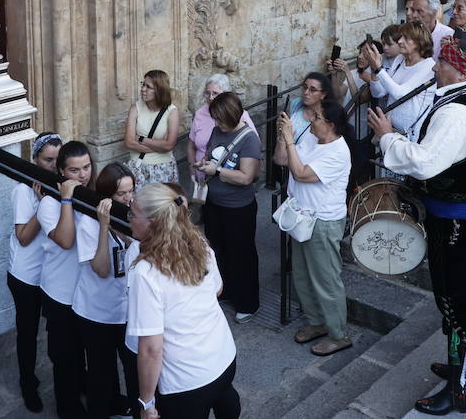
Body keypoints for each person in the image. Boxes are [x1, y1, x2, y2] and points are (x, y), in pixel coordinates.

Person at [368, 37, 466, 415]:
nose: (434, 68)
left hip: (456, 221)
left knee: (453, 300)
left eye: (440, 62)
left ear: (455, 68)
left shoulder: (458, 112)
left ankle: (459, 390)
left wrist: (387, 135)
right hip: (465, 217)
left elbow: (426, 163)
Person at [127, 182, 240, 419]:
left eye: (132, 214)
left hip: (186, 381)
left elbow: (150, 349)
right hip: (223, 357)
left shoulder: (146, 272)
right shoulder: (199, 244)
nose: (128, 218)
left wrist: (146, 402)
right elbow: (217, 289)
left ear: (153, 222)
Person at [274, 97, 353, 356]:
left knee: (326, 279)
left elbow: (301, 173)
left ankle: (338, 334)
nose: (311, 119)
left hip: (323, 221)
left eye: (317, 117)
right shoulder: (312, 137)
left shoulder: (338, 151)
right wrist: (283, 136)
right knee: (302, 274)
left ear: (330, 124)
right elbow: (284, 161)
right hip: (301, 216)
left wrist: (289, 139)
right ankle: (317, 322)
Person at [74, 162, 139, 419]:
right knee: (101, 374)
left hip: (126, 310)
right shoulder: (89, 224)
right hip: (96, 312)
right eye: (121, 194)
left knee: (133, 369)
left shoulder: (133, 215)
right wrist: (104, 227)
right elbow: (101, 268)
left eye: (130, 191)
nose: (128, 198)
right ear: (106, 196)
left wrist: (127, 236)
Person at [192, 92, 262, 322]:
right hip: (215, 204)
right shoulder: (216, 130)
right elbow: (214, 157)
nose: (217, 124)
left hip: (238, 208)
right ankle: (226, 290)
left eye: (220, 119)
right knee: (218, 250)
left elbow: (246, 177)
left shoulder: (249, 138)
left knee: (241, 254)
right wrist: (205, 165)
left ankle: (247, 302)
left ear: (231, 116)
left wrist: (217, 171)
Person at [37, 140, 93, 419]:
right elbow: (66, 240)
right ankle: (69, 409)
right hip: (59, 294)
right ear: (61, 172)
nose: (82, 175)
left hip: (85, 293)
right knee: (65, 358)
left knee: (85, 352)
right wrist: (67, 200)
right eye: (74, 170)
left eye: (86, 167)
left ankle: (88, 391)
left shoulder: (90, 195)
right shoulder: (48, 204)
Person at [8, 134, 60, 413]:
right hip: (26, 276)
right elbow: (24, 237)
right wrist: (43, 205)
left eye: (56, 160)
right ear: (35, 160)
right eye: (47, 160)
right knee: (28, 333)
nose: (52, 166)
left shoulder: (59, 186)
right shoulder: (23, 190)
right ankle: (28, 383)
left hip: (51, 274)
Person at [360, 22, 436, 141]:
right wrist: (374, 69)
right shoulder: (400, 59)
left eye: (405, 38)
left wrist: (379, 68)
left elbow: (400, 94)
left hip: (409, 135)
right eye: (400, 37)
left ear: (418, 42)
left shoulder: (428, 67)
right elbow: (378, 92)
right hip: (389, 129)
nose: (400, 41)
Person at [124, 70, 181, 189]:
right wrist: (159, 146)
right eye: (143, 84)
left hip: (163, 168)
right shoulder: (136, 108)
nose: (143, 89)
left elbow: (169, 145)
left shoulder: (172, 111)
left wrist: (140, 138)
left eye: (148, 87)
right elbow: (129, 142)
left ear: (159, 91)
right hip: (138, 168)